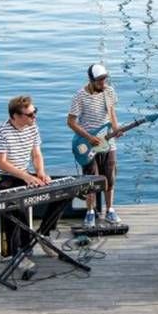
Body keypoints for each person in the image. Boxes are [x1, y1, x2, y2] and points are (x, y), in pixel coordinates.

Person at [0, 95, 65, 274]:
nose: (34, 117)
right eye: (30, 115)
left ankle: (44, 234)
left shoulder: (33, 128)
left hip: (23, 174)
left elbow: (36, 154)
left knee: (61, 193)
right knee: (18, 206)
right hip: (3, 178)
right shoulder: (1, 132)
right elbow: (1, 162)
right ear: (16, 116)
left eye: (34, 112)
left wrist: (40, 172)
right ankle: (18, 253)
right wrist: (25, 176)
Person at [67, 64, 121, 228]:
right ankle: (90, 211)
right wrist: (89, 137)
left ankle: (110, 209)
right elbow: (71, 122)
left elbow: (111, 112)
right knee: (91, 179)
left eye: (104, 79)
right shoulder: (79, 96)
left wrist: (116, 128)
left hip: (108, 142)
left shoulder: (109, 91)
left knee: (109, 177)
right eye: (99, 80)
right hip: (88, 144)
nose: (103, 83)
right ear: (91, 80)